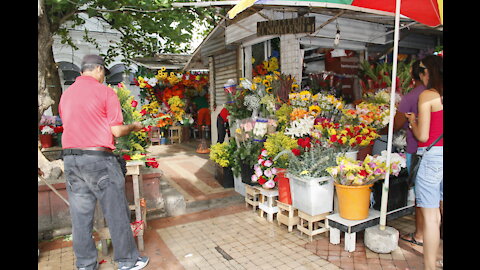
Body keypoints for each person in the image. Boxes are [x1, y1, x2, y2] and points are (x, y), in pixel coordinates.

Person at [59, 54, 149, 270]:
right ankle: (128, 261)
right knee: (116, 211)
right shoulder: (105, 92)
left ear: (82, 71)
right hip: (98, 160)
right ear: (99, 70)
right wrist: (134, 126)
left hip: (71, 160)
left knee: (80, 217)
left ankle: (85, 264)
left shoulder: (66, 95)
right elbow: (116, 130)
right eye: (103, 74)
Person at [405, 55, 443, 270]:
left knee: (430, 216)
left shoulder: (428, 96)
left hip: (433, 158)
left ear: (427, 73)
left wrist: (412, 122)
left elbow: (423, 135)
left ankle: (430, 267)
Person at [394, 60, 427, 247]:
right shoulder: (437, 95)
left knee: (421, 195)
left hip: (417, 149)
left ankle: (420, 234)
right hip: (436, 150)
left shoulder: (413, 96)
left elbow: (398, 124)